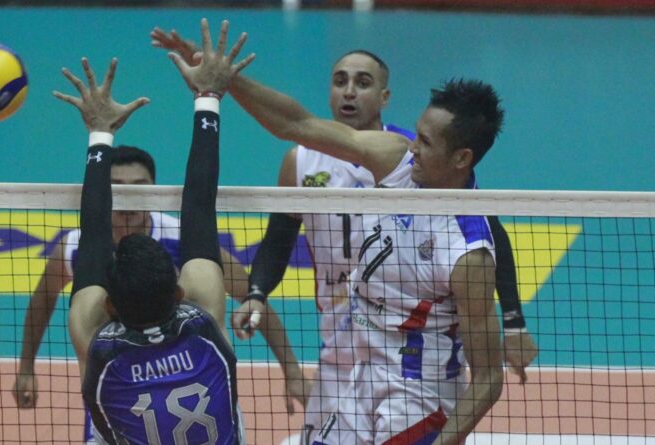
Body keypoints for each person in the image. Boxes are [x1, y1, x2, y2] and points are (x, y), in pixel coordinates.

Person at [151, 32, 536, 441]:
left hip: (418, 392)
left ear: (461, 158)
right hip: (355, 369)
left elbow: (488, 379)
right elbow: (295, 124)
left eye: (425, 142)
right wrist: (222, 80)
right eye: (416, 134)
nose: (413, 147)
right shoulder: (397, 161)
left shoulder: (468, 253)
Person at [57, 19, 255, 444]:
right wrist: (208, 98)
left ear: (109, 305)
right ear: (179, 292)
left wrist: (99, 132)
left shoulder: (95, 339)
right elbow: (200, 205)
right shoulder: (204, 322)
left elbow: (93, 235)